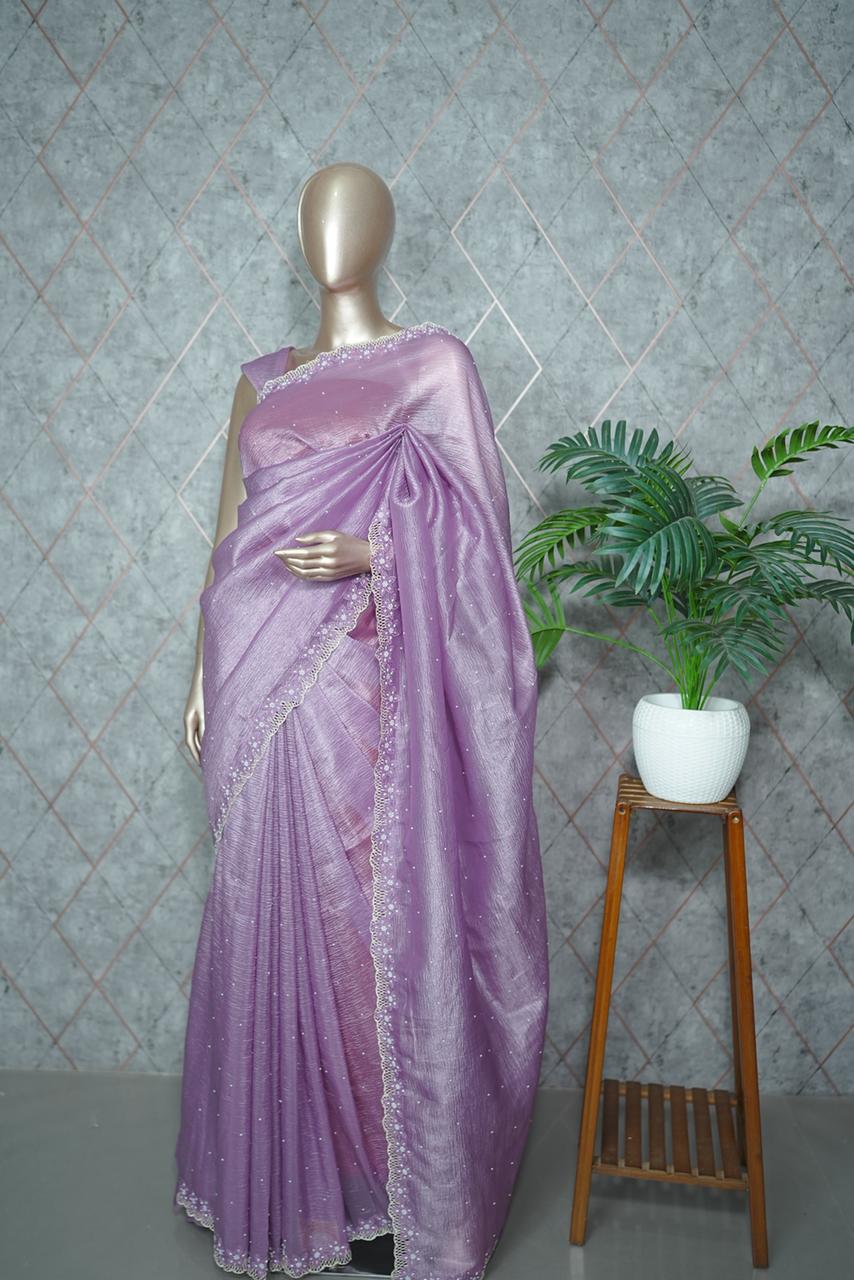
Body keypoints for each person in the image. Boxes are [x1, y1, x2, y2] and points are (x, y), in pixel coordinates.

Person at [173, 163, 549, 1280]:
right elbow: (227, 540)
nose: (328, 234)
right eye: (312, 214)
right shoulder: (260, 380)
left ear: (382, 231)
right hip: (254, 679)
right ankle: (287, 1186)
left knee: (365, 926)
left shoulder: (433, 366)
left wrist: (373, 551)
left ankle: (390, 1188)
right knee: (263, 907)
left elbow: (477, 548)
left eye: (349, 212)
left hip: (363, 692)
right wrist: (201, 672)